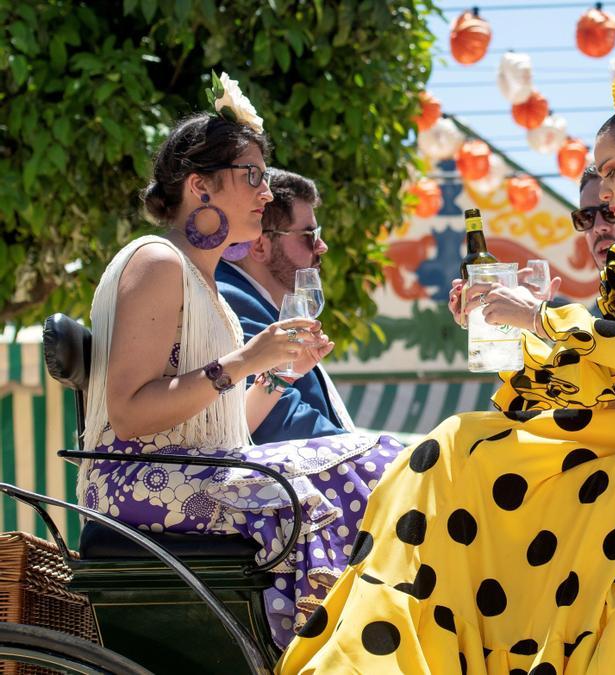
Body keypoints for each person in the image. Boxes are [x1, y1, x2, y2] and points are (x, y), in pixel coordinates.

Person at [277, 84, 615, 673]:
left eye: (610, 173)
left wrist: (534, 314)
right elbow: (596, 378)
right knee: (456, 448)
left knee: (468, 471)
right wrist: (513, 324)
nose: (605, 194)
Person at [78, 75, 401, 650]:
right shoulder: (158, 262)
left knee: (386, 462)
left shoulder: (202, 279)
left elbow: (230, 426)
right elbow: (128, 415)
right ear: (200, 185)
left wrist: (277, 372)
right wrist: (244, 359)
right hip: (138, 482)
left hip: (190, 474)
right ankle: (324, 649)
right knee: (369, 462)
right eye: (251, 175)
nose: (264, 193)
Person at [216, 169, 356, 444]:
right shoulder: (232, 299)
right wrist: (374, 458)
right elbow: (280, 423)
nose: (322, 246)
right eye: (309, 235)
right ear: (259, 246)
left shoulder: (252, 299)